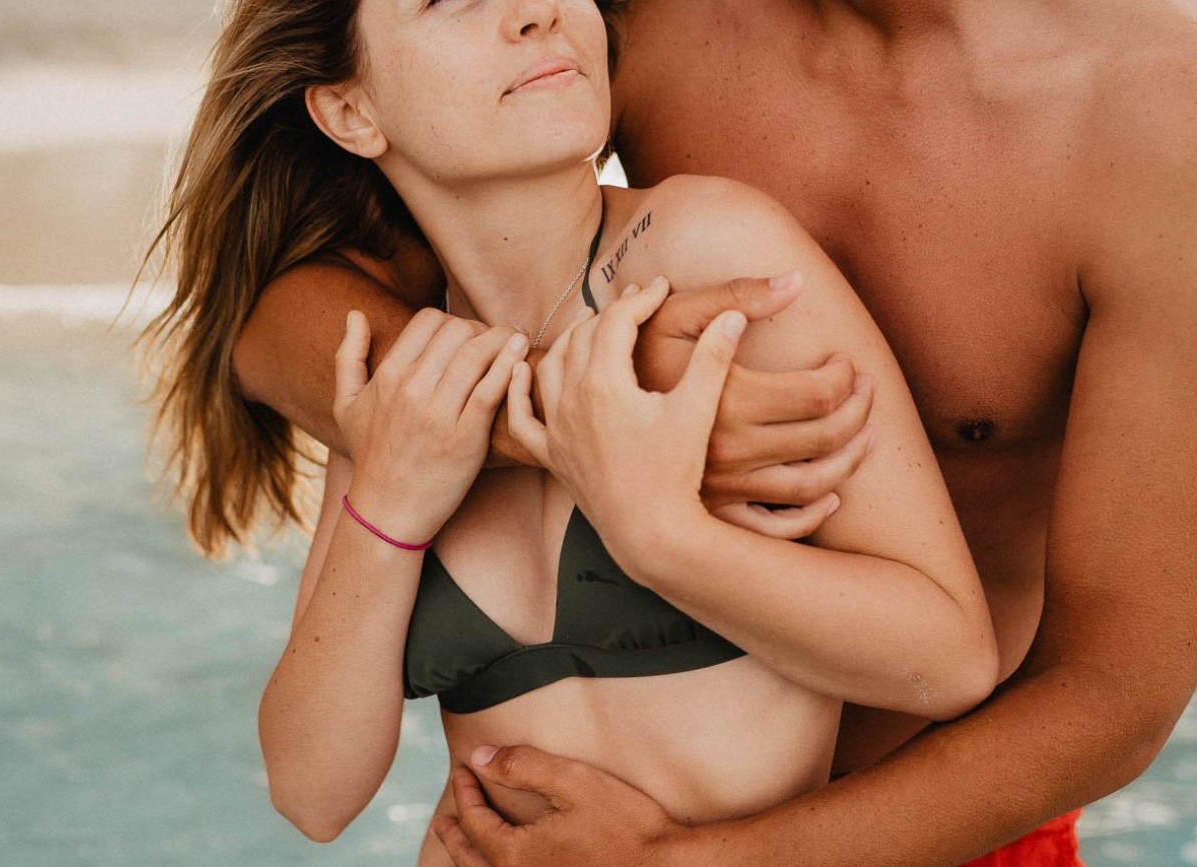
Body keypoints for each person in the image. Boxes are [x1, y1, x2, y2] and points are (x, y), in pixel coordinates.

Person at [223, 2, 1197, 867]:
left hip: (929, 828)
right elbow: (273, 320)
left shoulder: (1159, 122)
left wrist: (686, 862)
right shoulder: (644, 24)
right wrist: (554, 417)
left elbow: (1112, 696)